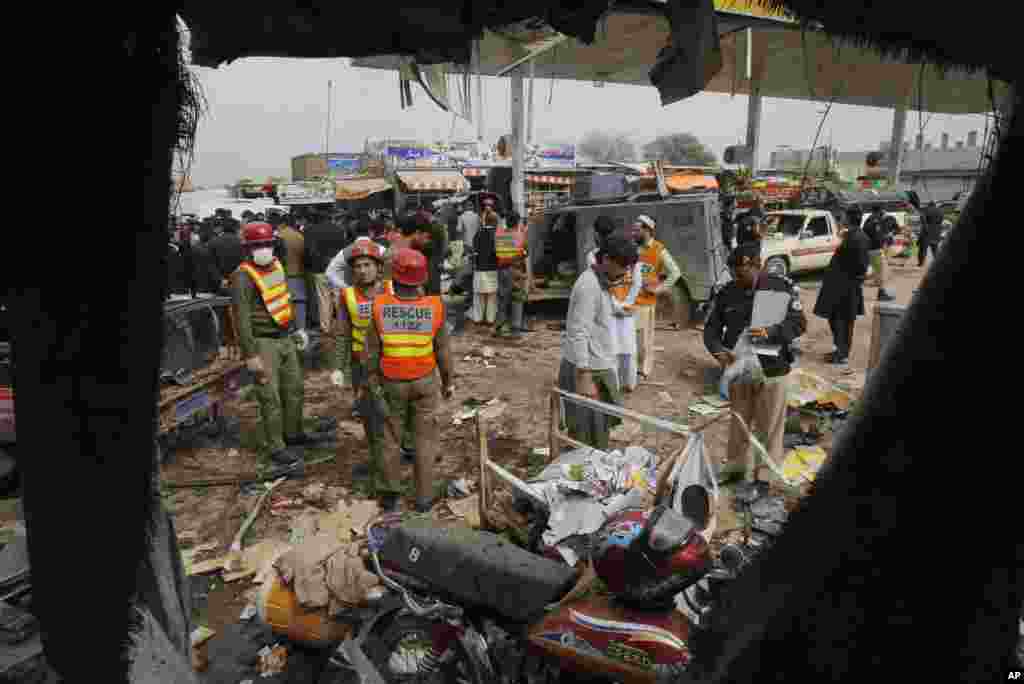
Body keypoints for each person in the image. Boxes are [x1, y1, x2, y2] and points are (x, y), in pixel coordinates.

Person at [704, 240, 807, 483]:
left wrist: (771, 332)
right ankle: (736, 470)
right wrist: (718, 351)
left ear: (755, 266)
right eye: (733, 274)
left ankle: (764, 478)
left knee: (769, 428)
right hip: (739, 371)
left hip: (773, 370)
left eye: (740, 274)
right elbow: (710, 329)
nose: (737, 279)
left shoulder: (780, 288)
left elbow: (799, 323)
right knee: (738, 425)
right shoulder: (727, 292)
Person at [364, 248, 454, 513]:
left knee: (390, 438)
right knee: (425, 440)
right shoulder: (435, 306)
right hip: (425, 382)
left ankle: (390, 497)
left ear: (394, 276)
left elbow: (370, 352)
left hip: (392, 382)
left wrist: (370, 383)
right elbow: (443, 350)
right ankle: (424, 498)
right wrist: (448, 381)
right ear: (422, 278)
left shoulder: (380, 306)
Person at [232, 222, 325, 466]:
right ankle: (276, 446)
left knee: (294, 388)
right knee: (269, 396)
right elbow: (241, 319)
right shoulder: (242, 276)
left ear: (274, 245)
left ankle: (293, 433)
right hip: (263, 342)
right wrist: (250, 355)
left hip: (285, 337)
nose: (263, 249)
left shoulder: (276, 266)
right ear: (247, 249)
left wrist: (296, 329)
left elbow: (284, 299)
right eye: (257, 246)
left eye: (266, 244)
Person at [558, 231, 637, 450]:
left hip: (598, 363)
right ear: (607, 260)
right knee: (585, 433)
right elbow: (578, 331)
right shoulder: (588, 286)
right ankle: (581, 474)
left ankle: (593, 467)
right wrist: (584, 376)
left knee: (599, 428)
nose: (624, 273)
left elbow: (598, 315)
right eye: (622, 267)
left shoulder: (601, 280)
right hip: (587, 369)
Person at [330, 241, 393, 488]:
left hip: (391, 362)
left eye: (368, 265)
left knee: (395, 412)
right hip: (361, 365)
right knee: (370, 415)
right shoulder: (346, 296)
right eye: (357, 266)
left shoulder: (394, 289)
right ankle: (380, 461)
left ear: (378, 268)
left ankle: (402, 452)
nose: (362, 270)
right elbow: (343, 334)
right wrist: (338, 367)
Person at [813, 211, 871, 367]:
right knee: (836, 319)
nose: (842, 218)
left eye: (844, 216)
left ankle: (842, 354)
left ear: (850, 219)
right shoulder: (852, 235)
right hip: (841, 285)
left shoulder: (857, 238)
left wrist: (854, 279)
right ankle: (840, 350)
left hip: (845, 287)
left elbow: (861, 265)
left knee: (842, 321)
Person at [632, 214, 682, 379]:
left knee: (644, 340)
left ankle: (643, 370)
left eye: (637, 230)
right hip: (630, 300)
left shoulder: (659, 249)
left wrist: (659, 289)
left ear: (647, 230)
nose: (633, 233)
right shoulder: (633, 248)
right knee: (631, 338)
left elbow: (675, 273)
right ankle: (633, 368)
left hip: (646, 302)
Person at [303, 209, 350, 342]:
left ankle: (326, 328)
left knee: (323, 300)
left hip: (320, 269)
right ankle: (342, 326)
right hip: (337, 269)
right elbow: (343, 250)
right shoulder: (339, 230)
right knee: (338, 298)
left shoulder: (310, 231)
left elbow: (309, 251)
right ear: (330, 218)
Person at [494, 210, 529, 338]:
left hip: (501, 270)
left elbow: (497, 253)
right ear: (517, 221)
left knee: (502, 299)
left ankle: (498, 328)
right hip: (515, 270)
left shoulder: (499, 235)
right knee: (516, 298)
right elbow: (526, 252)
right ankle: (515, 329)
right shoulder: (520, 236)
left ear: (507, 222)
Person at [326, 218, 382, 292]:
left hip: (355, 294)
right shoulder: (381, 249)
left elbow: (329, 272)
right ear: (371, 232)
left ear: (354, 232)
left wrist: (346, 288)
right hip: (378, 293)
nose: (363, 271)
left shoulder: (345, 251)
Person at [276, 214, 308, 330]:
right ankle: (301, 329)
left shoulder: (279, 236)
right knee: (299, 303)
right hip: (299, 273)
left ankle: (288, 329)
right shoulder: (300, 236)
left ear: (283, 224)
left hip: (283, 274)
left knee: (285, 304)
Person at [471, 208, 499, 325]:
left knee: (478, 296)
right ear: (495, 222)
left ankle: (477, 319)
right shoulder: (497, 234)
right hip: (493, 268)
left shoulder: (478, 234)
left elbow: (474, 250)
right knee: (492, 296)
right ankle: (490, 319)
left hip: (479, 268)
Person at [862, 206, 897, 302]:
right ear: (877, 212)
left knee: (878, 272)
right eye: (880, 213)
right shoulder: (874, 222)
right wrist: (885, 237)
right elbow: (877, 236)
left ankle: (880, 292)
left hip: (871, 249)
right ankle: (881, 294)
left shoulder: (868, 221)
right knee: (881, 272)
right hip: (875, 250)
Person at [207, 215, 245, 291]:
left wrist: (221, 280)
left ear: (223, 228)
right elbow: (244, 263)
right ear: (236, 228)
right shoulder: (242, 242)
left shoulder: (213, 242)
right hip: (239, 282)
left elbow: (211, 264)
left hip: (219, 284)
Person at [919, 201, 944, 268]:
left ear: (928, 205)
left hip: (927, 232)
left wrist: (925, 228)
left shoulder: (925, 210)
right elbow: (941, 220)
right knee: (935, 249)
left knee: (923, 249)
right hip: (936, 232)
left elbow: (923, 220)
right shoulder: (940, 211)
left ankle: (921, 263)